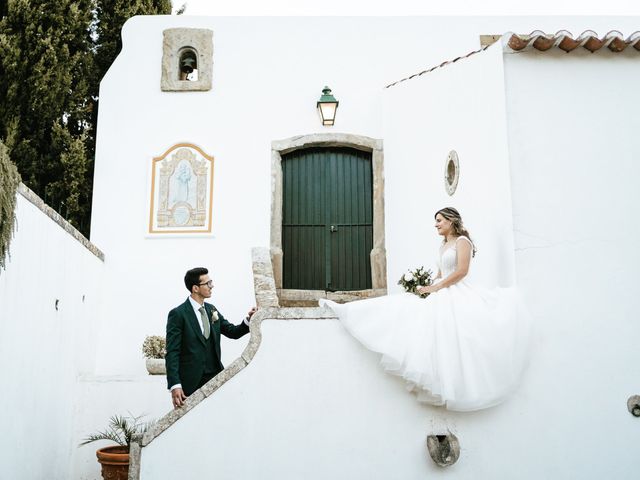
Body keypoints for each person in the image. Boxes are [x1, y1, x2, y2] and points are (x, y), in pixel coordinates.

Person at [320, 207, 531, 411]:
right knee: (408, 309)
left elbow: (461, 271)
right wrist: (423, 286)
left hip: (456, 291)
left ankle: (456, 381)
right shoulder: (442, 245)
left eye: (439, 220)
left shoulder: (462, 241)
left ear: (451, 220)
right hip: (440, 289)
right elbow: (441, 273)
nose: (436, 224)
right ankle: (350, 311)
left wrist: (436, 287)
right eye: (436, 221)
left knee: (455, 333)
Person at [166, 267, 256, 408]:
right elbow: (172, 352)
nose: (212, 286)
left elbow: (233, 332)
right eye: (208, 283)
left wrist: (249, 320)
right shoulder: (178, 314)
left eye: (211, 282)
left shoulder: (211, 309)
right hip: (190, 382)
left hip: (215, 377)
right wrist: (175, 385)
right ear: (195, 288)